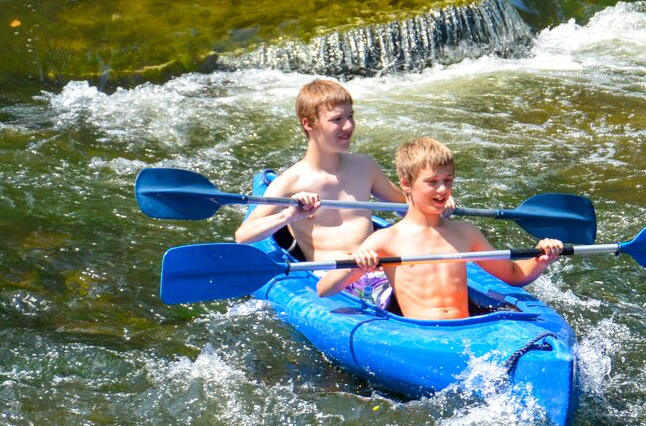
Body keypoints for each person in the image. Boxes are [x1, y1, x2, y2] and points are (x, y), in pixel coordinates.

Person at [316, 137, 563, 320]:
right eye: (432, 182)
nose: (443, 189)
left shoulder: (465, 232)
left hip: (468, 328)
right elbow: (325, 289)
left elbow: (514, 275)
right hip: (422, 333)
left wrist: (540, 258)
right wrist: (355, 262)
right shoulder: (386, 240)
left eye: (447, 181)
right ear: (406, 184)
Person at [235, 78, 405, 262]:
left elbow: (406, 207)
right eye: (337, 119)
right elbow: (243, 236)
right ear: (309, 124)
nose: (348, 126)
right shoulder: (291, 182)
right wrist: (288, 215)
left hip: (374, 270)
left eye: (350, 116)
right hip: (330, 277)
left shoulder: (365, 167)